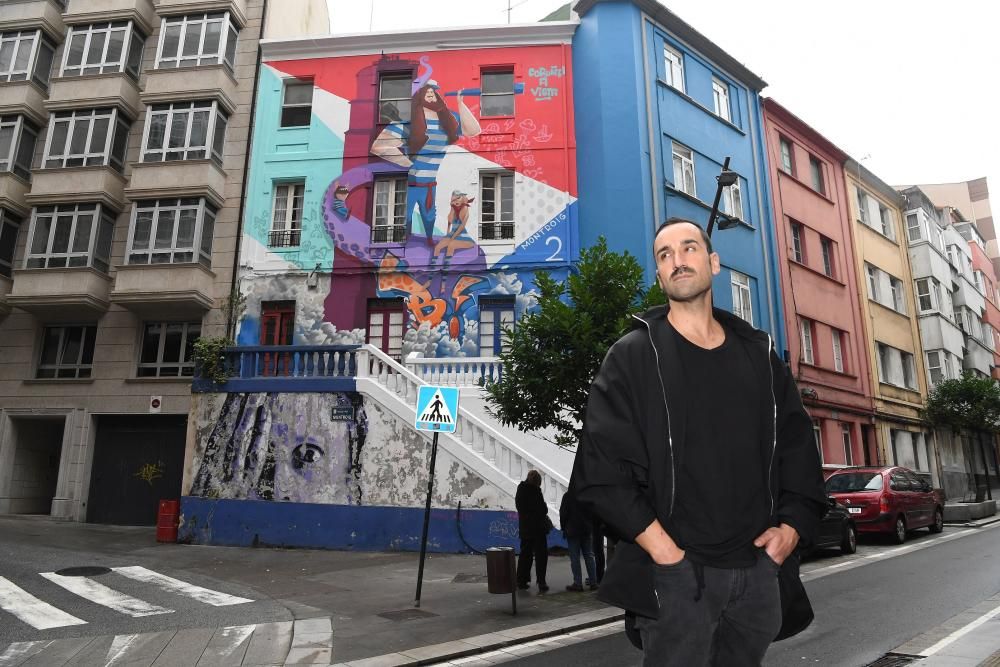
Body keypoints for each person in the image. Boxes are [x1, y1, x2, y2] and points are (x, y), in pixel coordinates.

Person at [572, 218, 826, 666]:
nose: (677, 260)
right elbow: (600, 469)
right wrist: (665, 554)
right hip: (677, 579)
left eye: (688, 248)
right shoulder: (633, 356)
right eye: (664, 255)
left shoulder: (760, 356)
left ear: (713, 262)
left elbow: (798, 450)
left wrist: (790, 530)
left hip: (756, 574)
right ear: (658, 275)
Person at [370, 80, 482, 245]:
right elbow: (379, 147)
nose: (431, 92)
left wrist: (460, 103)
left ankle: (429, 241)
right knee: (405, 213)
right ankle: (401, 243)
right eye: (427, 90)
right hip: (413, 182)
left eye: (434, 90)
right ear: (419, 97)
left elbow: (473, 130)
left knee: (429, 215)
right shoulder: (410, 123)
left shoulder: (448, 121)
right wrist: (407, 163)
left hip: (430, 184)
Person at [515, 470, 550, 592]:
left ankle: (521, 580)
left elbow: (521, 509)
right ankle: (541, 582)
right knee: (541, 556)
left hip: (525, 528)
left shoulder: (520, 490)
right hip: (538, 529)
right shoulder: (535, 491)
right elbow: (543, 509)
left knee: (525, 555)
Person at [559, 488, 597, 592]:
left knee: (575, 557)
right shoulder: (586, 495)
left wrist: (564, 528)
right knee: (589, 555)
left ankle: (578, 583)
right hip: (586, 529)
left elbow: (563, 513)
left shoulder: (568, 496)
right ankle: (593, 582)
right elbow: (593, 512)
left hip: (572, 530)